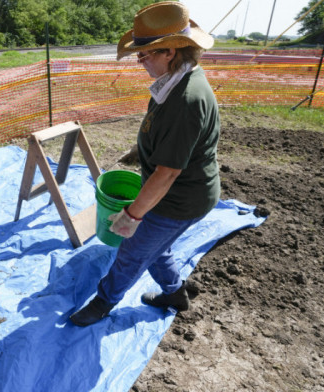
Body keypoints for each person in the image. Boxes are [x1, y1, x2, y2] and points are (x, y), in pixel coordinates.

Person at [70, 1, 220, 327]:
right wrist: (140, 151)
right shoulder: (175, 80)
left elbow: (167, 173)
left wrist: (131, 215)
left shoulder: (186, 100)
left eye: (146, 54)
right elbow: (165, 137)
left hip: (179, 199)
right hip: (172, 193)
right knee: (157, 247)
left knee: (132, 251)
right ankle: (176, 292)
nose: (140, 61)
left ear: (171, 51)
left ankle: (102, 302)